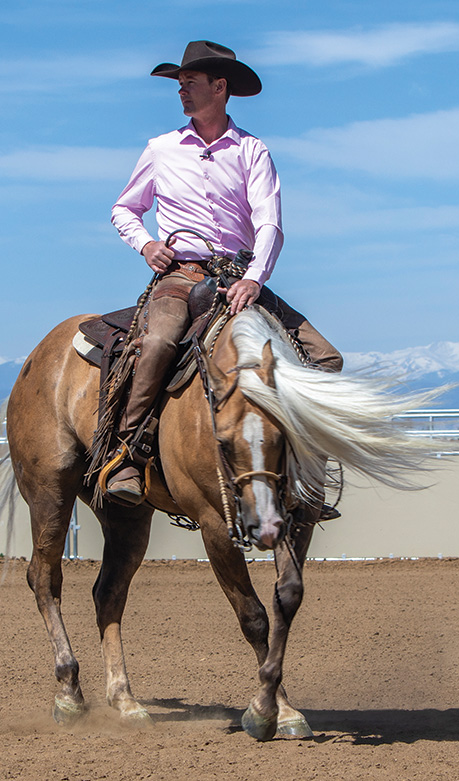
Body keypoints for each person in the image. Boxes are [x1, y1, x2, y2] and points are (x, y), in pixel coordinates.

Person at [106, 40, 341, 505]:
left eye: (190, 83)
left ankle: (303, 468)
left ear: (220, 87)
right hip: (182, 274)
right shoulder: (161, 148)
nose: (182, 92)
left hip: (240, 276)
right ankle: (127, 454)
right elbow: (123, 209)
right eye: (179, 84)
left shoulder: (252, 150)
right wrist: (146, 243)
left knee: (325, 358)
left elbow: (269, 221)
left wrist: (254, 278)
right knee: (156, 343)